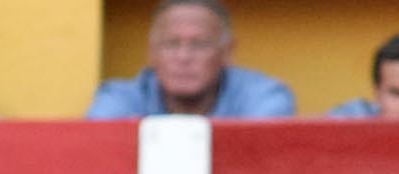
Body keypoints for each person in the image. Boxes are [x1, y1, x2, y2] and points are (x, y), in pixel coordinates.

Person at [87, 0, 293, 119]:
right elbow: (99, 140)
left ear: (227, 52)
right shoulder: (120, 97)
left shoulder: (262, 95)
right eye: (171, 44)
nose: (184, 57)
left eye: (199, 45)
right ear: (152, 53)